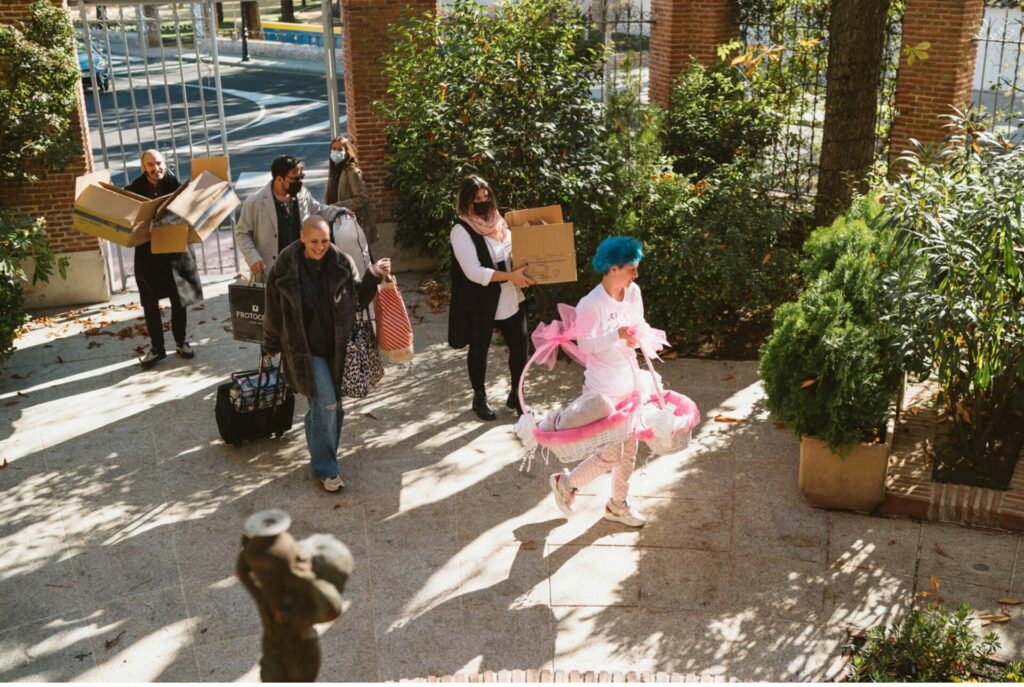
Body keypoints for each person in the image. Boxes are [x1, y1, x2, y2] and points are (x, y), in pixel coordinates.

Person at [262, 215, 391, 493]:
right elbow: (272, 311)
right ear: (301, 237)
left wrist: (372, 274)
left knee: (332, 408)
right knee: (328, 405)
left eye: (324, 240)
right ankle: (326, 468)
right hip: (304, 350)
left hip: (337, 349)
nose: (319, 246)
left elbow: (357, 300)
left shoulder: (342, 263)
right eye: (313, 241)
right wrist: (269, 345)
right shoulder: (284, 268)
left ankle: (320, 449)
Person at [549, 236, 654, 528]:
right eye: (631, 269)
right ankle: (566, 484)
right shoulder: (590, 303)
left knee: (630, 451)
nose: (636, 274)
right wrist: (616, 335)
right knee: (609, 455)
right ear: (612, 268)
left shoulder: (633, 293)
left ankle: (617, 504)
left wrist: (635, 335)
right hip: (602, 390)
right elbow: (585, 345)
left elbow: (639, 324)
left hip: (629, 382)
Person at [448, 175, 534, 421]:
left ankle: (517, 394)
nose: (484, 202)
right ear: (466, 201)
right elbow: (474, 271)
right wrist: (510, 275)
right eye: (477, 199)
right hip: (480, 299)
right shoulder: (461, 230)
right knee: (479, 348)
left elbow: (511, 254)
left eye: (486, 197)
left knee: (520, 345)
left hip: (509, 294)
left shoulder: (501, 222)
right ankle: (479, 396)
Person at [126, 149, 203, 370]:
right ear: (143, 168)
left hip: (175, 254)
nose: (155, 167)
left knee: (179, 301)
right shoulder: (133, 191)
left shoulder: (177, 187)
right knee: (150, 304)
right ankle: (157, 348)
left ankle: (181, 342)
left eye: (158, 163)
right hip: (148, 257)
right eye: (150, 164)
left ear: (164, 164)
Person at [236, 155, 335, 280]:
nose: (298, 182)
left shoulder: (302, 194)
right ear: (278, 179)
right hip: (270, 271)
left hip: (300, 268)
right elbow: (242, 233)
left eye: (301, 177)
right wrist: (253, 258)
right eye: (294, 179)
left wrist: (341, 212)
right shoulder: (255, 202)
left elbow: (319, 210)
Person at [324, 136, 378, 244]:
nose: (336, 152)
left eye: (340, 149)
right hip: (335, 219)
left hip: (351, 222)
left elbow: (362, 198)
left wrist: (337, 206)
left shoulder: (352, 172)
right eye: (333, 149)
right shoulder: (334, 169)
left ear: (347, 152)